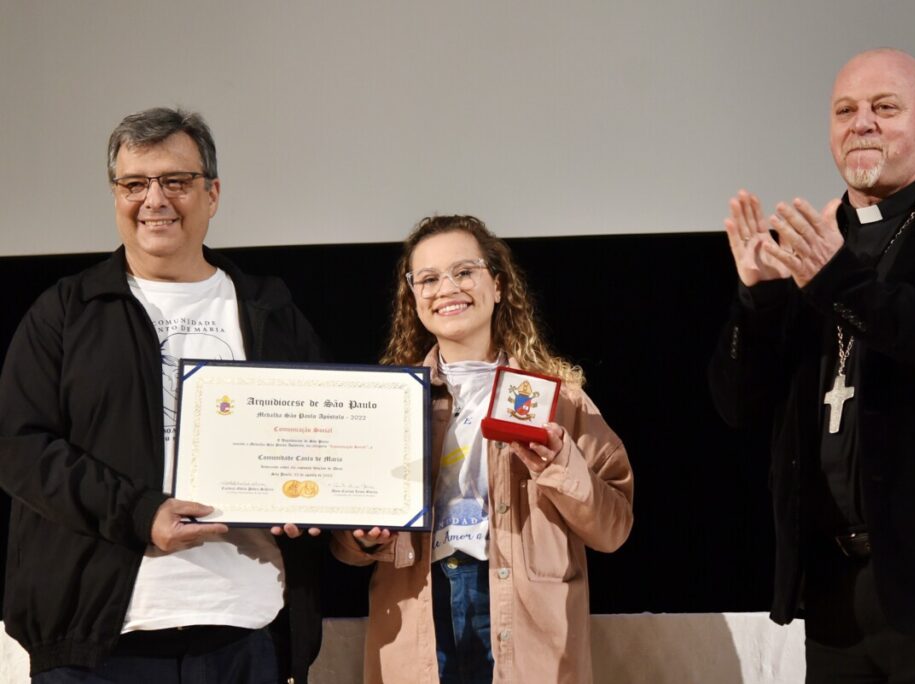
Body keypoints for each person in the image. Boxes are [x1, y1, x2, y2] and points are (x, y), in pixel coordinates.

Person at [709, 48, 915, 682]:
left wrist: (839, 283)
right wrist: (759, 298)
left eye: (885, 107)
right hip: (835, 598)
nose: (863, 123)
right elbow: (736, 404)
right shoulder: (809, 247)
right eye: (846, 110)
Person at [0, 107, 327, 683]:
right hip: (98, 640)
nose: (154, 199)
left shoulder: (271, 312)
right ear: (116, 195)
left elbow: (320, 439)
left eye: (175, 181)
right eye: (134, 184)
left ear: (212, 193)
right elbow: (19, 449)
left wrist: (313, 502)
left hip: (247, 628)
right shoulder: (66, 312)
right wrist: (139, 512)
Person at [331, 215, 633, 683]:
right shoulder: (387, 402)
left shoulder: (558, 400)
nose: (446, 288)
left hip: (524, 615)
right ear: (414, 299)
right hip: (419, 613)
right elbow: (345, 544)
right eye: (428, 279)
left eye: (464, 272)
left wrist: (560, 464)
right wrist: (363, 538)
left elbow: (614, 527)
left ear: (497, 285)